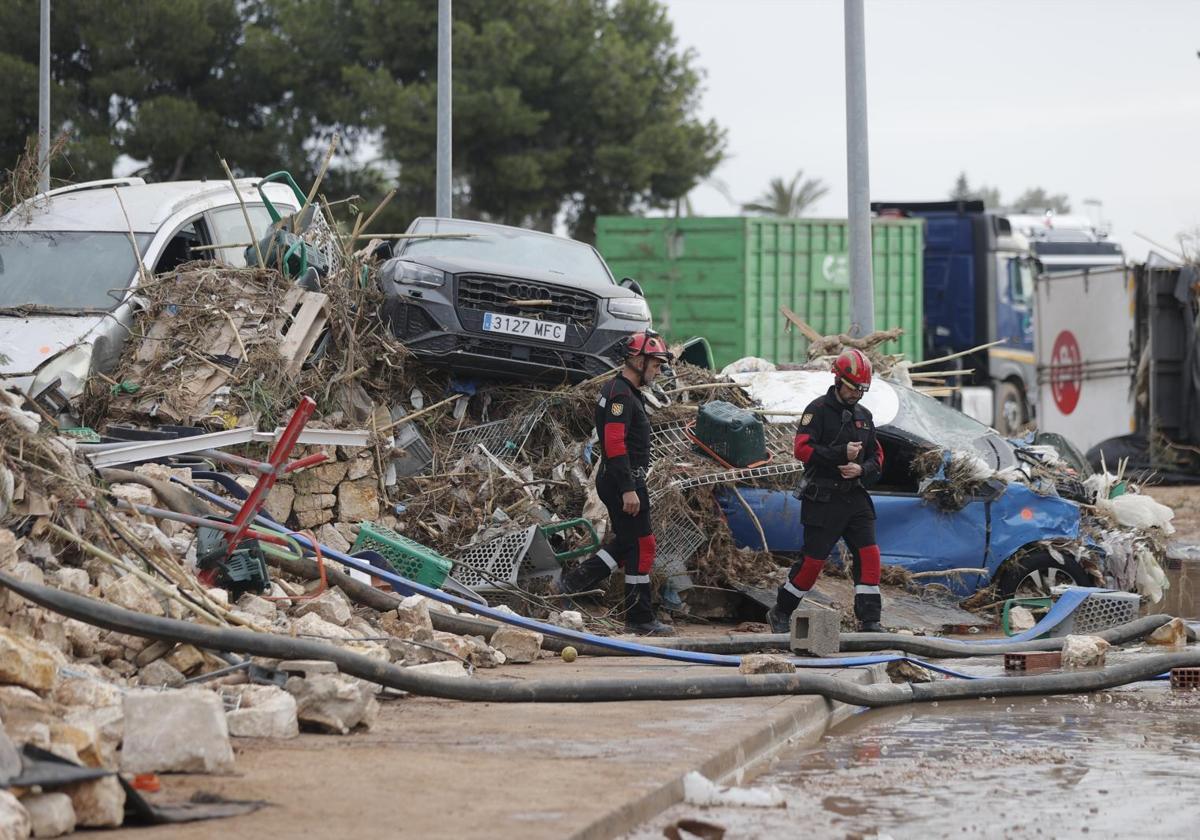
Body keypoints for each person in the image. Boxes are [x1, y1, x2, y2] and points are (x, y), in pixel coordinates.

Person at [555, 330, 675, 636]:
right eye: (656, 363)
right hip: (624, 480)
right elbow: (614, 443)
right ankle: (639, 617)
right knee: (643, 545)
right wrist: (628, 489)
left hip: (621, 478)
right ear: (637, 359)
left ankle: (572, 583)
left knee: (626, 543)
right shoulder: (620, 394)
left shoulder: (623, 391)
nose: (658, 370)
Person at [767, 348, 886, 634]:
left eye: (862, 390)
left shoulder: (865, 416)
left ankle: (869, 621)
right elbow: (802, 449)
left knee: (869, 556)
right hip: (823, 499)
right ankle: (781, 612)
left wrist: (861, 470)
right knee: (812, 563)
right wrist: (839, 453)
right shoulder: (817, 410)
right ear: (838, 380)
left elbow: (878, 457)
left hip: (855, 497)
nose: (857, 394)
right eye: (853, 388)